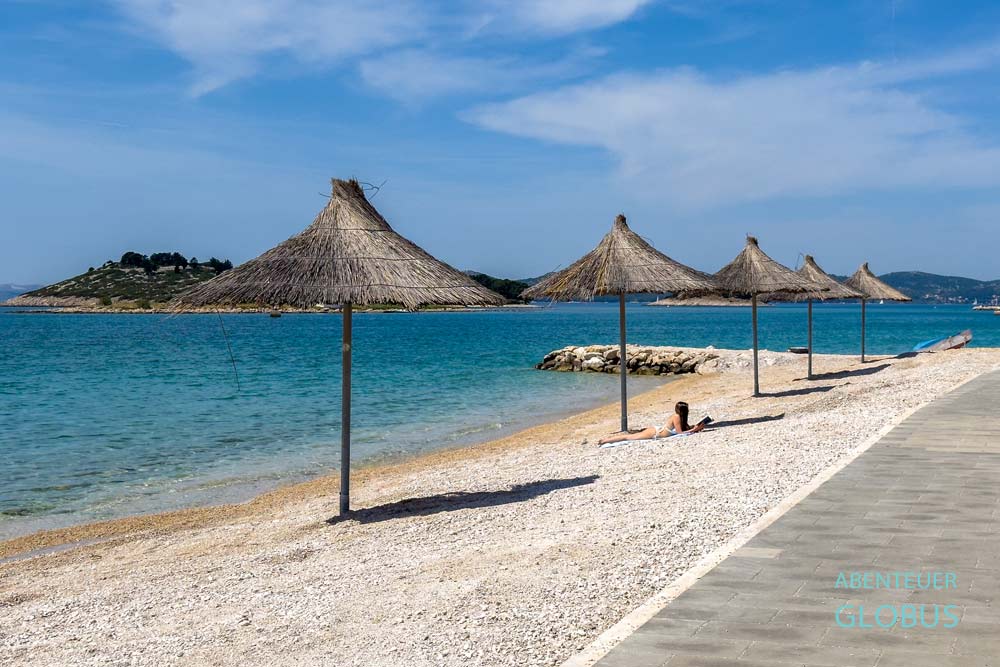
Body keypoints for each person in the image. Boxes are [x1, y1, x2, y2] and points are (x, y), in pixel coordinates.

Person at [597, 401, 707, 446]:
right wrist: (695, 429)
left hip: (657, 431)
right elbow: (679, 433)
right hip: (655, 433)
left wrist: (694, 428)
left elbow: (682, 430)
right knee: (628, 438)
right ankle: (604, 441)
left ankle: (605, 440)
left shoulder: (679, 417)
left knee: (630, 436)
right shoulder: (677, 417)